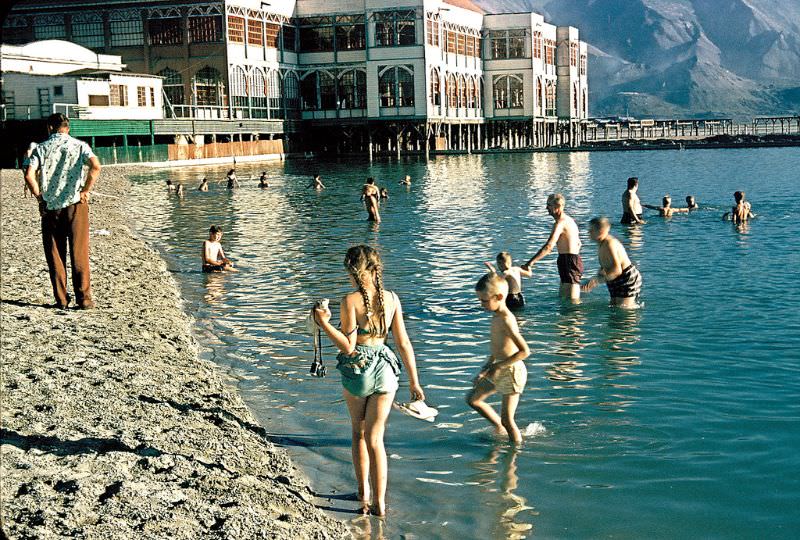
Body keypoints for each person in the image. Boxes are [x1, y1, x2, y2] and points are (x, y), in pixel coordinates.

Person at [313, 245, 425, 516]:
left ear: (352, 272)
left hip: (358, 370)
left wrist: (324, 323)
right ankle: (380, 505)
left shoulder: (349, 301)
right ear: (377, 270)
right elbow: (403, 343)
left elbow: (349, 347)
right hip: (386, 369)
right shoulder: (393, 298)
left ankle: (362, 493)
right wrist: (414, 382)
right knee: (377, 439)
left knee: (358, 432)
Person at [24, 113, 101, 310]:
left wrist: (40, 196)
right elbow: (95, 166)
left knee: (55, 254)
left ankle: (61, 300)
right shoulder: (80, 146)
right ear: (68, 127)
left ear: (50, 127)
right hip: (76, 204)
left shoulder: (41, 148)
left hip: (51, 207)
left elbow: (29, 175)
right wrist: (85, 190)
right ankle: (84, 299)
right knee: (79, 251)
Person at [466, 272, 530, 444]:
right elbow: (499, 348)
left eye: (484, 301)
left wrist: (498, 366)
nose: (482, 305)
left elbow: (524, 351)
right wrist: (487, 367)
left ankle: (515, 451)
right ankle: (499, 429)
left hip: (511, 370)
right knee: (473, 400)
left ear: (499, 297)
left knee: (508, 419)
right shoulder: (496, 317)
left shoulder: (507, 319)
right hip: (499, 367)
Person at [522, 193, 583, 302]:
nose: (546, 208)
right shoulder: (570, 221)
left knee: (572, 303)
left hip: (569, 261)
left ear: (558, 206)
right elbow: (579, 243)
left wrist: (530, 263)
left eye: (548, 205)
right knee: (564, 299)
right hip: (568, 260)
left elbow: (549, 247)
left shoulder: (560, 223)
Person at [581, 217, 643, 309]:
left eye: (591, 230)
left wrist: (596, 281)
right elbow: (606, 264)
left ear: (601, 231)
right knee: (614, 307)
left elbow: (617, 270)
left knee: (623, 308)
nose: (588, 232)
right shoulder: (601, 244)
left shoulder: (610, 243)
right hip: (614, 278)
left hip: (627, 277)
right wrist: (596, 276)